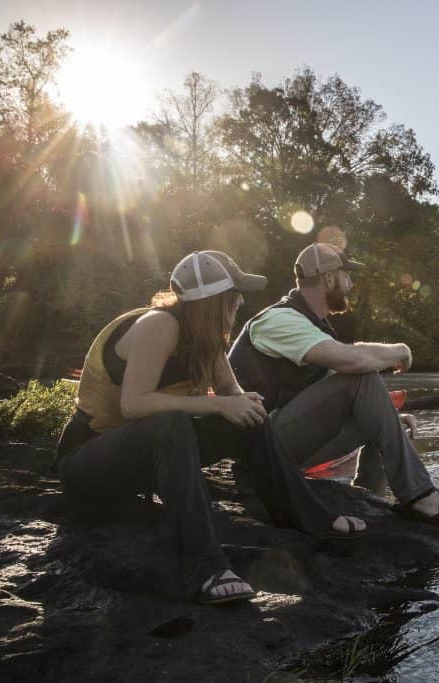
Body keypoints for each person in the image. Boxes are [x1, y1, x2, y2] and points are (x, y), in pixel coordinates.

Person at [54, 251, 365, 605]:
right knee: (170, 423)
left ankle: (311, 520)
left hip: (147, 458)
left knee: (249, 417)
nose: (242, 300)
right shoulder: (159, 325)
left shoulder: (208, 339)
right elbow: (134, 404)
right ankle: (204, 568)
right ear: (214, 300)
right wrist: (219, 403)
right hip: (89, 461)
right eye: (236, 293)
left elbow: (232, 394)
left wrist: (243, 402)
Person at [228, 242, 439, 532]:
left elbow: (346, 360)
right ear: (329, 278)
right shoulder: (278, 320)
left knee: (390, 420)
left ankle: (368, 499)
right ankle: (419, 495)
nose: (351, 283)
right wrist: (400, 351)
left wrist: (388, 420)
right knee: (361, 377)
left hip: (282, 442)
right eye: (347, 275)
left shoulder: (311, 326)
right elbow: (353, 362)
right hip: (260, 449)